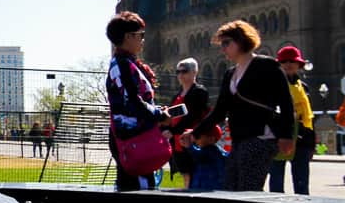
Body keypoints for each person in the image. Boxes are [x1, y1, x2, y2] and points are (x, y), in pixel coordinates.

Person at [183, 20, 294, 191]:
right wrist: (195, 133)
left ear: (241, 40)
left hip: (260, 137)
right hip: (239, 139)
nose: (223, 49)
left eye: (226, 43)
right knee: (230, 189)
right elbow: (219, 111)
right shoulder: (230, 74)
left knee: (247, 191)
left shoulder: (267, 66)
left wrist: (286, 135)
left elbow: (286, 102)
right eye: (222, 44)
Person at [106, 12, 169, 191]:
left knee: (144, 186)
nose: (143, 39)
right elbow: (133, 102)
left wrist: (156, 110)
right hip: (132, 139)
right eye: (140, 35)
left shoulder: (128, 63)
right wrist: (158, 114)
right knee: (137, 190)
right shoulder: (121, 65)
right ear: (128, 37)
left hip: (138, 136)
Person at [267, 45, 315, 195]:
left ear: (299, 65)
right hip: (279, 137)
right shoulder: (272, 85)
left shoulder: (304, 87)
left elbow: (309, 115)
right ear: (279, 65)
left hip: (302, 138)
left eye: (292, 61)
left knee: (302, 182)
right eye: (284, 61)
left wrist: (312, 142)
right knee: (276, 181)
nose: (288, 64)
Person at [162, 58, 208, 189]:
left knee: (195, 173)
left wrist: (173, 131)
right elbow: (171, 117)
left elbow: (193, 116)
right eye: (178, 72)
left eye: (184, 71)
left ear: (194, 72)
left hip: (192, 140)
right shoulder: (177, 96)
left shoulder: (199, 92)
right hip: (177, 142)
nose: (180, 75)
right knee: (185, 174)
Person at [188, 124, 227, 191]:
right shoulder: (208, 151)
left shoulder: (213, 151)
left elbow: (199, 155)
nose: (195, 139)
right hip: (203, 186)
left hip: (210, 187)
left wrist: (189, 146)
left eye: (198, 137)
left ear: (211, 138)